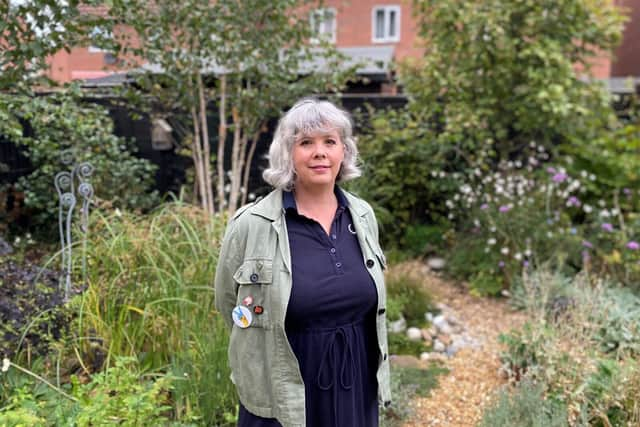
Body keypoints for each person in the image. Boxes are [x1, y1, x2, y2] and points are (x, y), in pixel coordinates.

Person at [215, 98, 391, 427]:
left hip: (355, 382)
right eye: (306, 143)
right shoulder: (252, 225)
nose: (320, 152)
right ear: (288, 154)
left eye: (330, 142)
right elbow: (230, 306)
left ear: (344, 151)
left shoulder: (363, 216)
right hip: (283, 387)